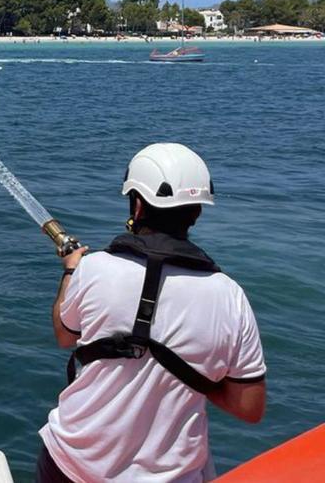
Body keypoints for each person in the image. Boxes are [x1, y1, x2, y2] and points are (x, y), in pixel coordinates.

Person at [38, 143, 266, 482]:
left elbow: (64, 333)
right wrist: (192, 372)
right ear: (197, 212)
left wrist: (71, 270)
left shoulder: (94, 269)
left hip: (70, 464)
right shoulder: (229, 296)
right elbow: (250, 408)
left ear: (138, 204)